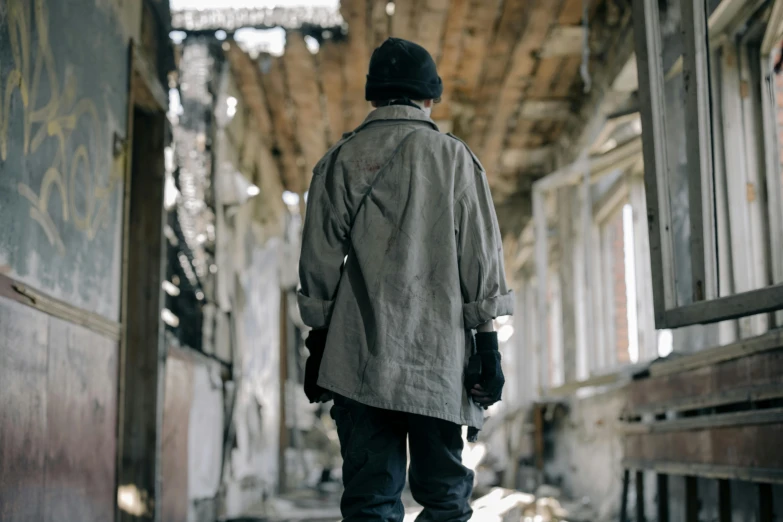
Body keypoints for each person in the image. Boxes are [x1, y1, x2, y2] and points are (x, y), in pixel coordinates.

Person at [297, 37, 514, 522]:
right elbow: (480, 258)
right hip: (437, 363)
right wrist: (487, 348)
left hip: (359, 361)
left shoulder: (339, 160)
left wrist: (319, 343)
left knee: (370, 500)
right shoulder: (455, 158)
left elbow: (319, 265)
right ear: (430, 97)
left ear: (373, 97)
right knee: (444, 497)